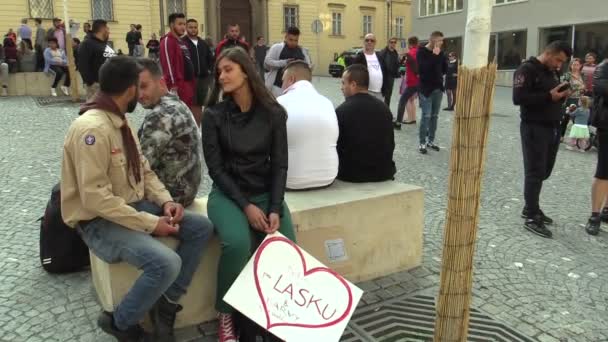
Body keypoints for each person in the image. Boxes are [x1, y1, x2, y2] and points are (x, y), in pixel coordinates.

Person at [61, 56, 213, 341]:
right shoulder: (92, 129)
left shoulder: (120, 122)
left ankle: (166, 304)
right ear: (130, 89)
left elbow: (143, 169)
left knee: (201, 228)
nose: (141, 94)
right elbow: (95, 200)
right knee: (166, 263)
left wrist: (166, 201)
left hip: (128, 207)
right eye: (138, 86)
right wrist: (150, 223)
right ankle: (120, 322)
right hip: (98, 222)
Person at [201, 48, 296, 342]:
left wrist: (275, 208)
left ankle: (276, 315)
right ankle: (226, 315)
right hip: (228, 195)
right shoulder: (214, 116)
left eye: (228, 69)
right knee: (238, 243)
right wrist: (245, 207)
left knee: (286, 247)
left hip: (267, 193)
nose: (222, 76)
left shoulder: (274, 113)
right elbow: (216, 170)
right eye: (219, 71)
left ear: (245, 71)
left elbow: (280, 164)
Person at [513, 40, 572, 238]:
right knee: (535, 171)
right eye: (558, 60)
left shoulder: (551, 71)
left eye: (562, 62)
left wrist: (562, 95)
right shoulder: (526, 70)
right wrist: (549, 97)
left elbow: (551, 95)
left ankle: (532, 206)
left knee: (545, 170)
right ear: (548, 53)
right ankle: (531, 215)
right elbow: (518, 98)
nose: (559, 65)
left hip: (552, 127)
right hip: (534, 127)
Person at [137, 58, 202, 207]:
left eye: (144, 86)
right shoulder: (177, 103)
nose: (140, 95)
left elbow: (139, 168)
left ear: (161, 82)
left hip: (171, 198)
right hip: (188, 190)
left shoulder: (160, 115)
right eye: (136, 89)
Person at [277, 61, 339, 190]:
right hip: (327, 177)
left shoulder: (280, 102)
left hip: (289, 181)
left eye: (283, 81)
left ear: (291, 79)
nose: (281, 86)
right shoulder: (327, 102)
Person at [336, 64, 396, 183]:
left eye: (343, 83)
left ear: (353, 85)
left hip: (352, 175)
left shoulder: (342, 111)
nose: (341, 87)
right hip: (383, 172)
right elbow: (391, 143)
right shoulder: (384, 108)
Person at [586, 57, 608, 235]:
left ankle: (607, 210)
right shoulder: (603, 68)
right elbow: (602, 89)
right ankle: (594, 215)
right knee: (603, 171)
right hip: (606, 125)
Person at [417, 31, 447, 154]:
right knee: (426, 116)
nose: (442, 43)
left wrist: (439, 58)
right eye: (440, 40)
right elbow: (423, 70)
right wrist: (434, 56)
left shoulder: (441, 53)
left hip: (438, 89)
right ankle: (422, 142)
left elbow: (444, 68)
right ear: (433, 40)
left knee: (434, 116)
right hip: (425, 89)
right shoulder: (421, 52)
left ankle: (431, 141)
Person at [160, 13, 195, 108]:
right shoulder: (167, 40)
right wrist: (173, 86)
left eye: (184, 24)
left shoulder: (181, 41)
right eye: (180, 24)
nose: (183, 27)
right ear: (172, 25)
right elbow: (167, 64)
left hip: (187, 85)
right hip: (178, 87)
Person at [264, 26, 311, 97]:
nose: (293, 43)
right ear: (285, 37)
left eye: (296, 40)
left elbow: (307, 66)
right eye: (291, 40)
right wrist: (284, 62)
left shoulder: (301, 50)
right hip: (277, 87)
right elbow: (267, 62)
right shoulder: (277, 47)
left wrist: (307, 67)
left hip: (296, 90)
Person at [184, 18, 214, 127]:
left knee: (202, 104)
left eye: (195, 27)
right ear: (186, 28)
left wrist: (210, 70)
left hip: (203, 78)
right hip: (189, 79)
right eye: (190, 27)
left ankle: (199, 127)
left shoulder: (203, 43)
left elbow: (210, 59)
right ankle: (193, 127)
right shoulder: (183, 43)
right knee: (191, 104)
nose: (193, 29)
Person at [78, 19, 116, 100]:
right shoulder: (87, 44)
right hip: (97, 86)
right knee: (97, 111)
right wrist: (91, 83)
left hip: (111, 86)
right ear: (102, 29)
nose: (109, 32)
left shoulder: (103, 44)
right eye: (107, 29)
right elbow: (82, 65)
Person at [353, 33, 388, 102]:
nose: (369, 42)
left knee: (378, 112)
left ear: (375, 43)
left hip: (379, 92)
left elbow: (385, 72)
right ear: (364, 42)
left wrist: (385, 89)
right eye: (367, 40)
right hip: (366, 91)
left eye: (372, 40)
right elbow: (354, 73)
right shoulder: (360, 57)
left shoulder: (379, 56)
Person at [395, 36, 420, 129]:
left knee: (403, 100)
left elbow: (413, 62)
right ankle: (413, 118)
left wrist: (417, 73)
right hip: (419, 82)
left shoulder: (411, 53)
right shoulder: (419, 52)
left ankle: (398, 122)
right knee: (413, 100)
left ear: (409, 44)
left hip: (412, 82)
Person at [560, 58, 586, 139]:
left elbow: (585, 86)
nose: (575, 66)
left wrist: (583, 90)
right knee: (566, 118)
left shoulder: (582, 75)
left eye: (577, 65)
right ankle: (561, 135)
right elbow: (563, 87)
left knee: (578, 119)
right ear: (570, 66)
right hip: (569, 99)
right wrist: (575, 88)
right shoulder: (567, 75)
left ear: (580, 66)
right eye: (573, 64)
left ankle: (577, 138)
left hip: (579, 99)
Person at [380, 37, 401, 108]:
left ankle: (386, 111)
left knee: (388, 96)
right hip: (384, 76)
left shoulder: (395, 52)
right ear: (388, 43)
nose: (393, 44)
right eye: (391, 42)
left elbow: (396, 64)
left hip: (391, 77)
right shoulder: (383, 52)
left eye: (394, 42)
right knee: (381, 95)